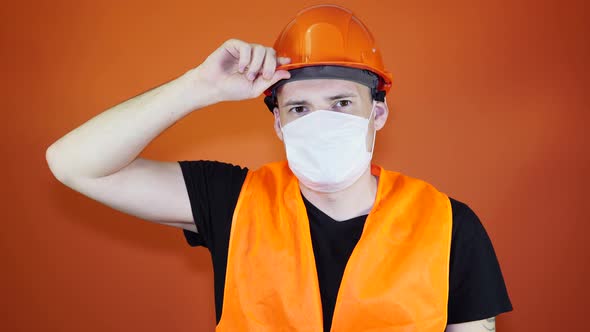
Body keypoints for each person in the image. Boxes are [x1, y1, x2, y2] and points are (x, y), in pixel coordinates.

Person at [45, 4, 512, 332]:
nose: (321, 120)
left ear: (379, 113)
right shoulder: (233, 199)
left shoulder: (450, 225)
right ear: (279, 123)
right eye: (300, 109)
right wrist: (197, 87)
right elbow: (74, 164)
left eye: (342, 102)